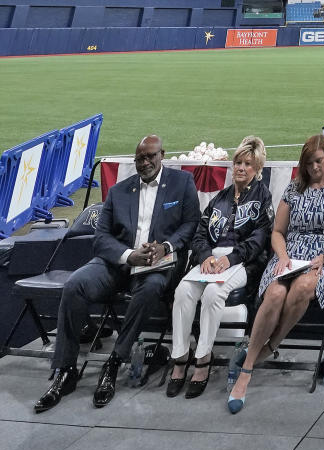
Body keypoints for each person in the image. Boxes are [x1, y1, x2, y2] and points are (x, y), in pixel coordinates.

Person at [33, 134, 200, 414]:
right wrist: (128, 255)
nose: (145, 162)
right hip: (118, 263)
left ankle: (115, 361)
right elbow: (100, 238)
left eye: (151, 156)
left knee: (148, 289)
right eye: (140, 159)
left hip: (158, 264)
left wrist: (165, 247)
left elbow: (191, 223)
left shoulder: (182, 183)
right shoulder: (119, 191)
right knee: (75, 285)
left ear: (163, 155)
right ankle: (66, 369)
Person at [227, 133, 324, 413]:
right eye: (308, 163)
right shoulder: (294, 188)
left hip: (321, 254)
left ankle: (266, 349)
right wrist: (282, 257)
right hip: (289, 252)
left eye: (318, 161)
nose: (314, 168)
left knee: (303, 288)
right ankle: (249, 366)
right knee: (277, 291)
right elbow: (278, 232)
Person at [166, 136, 273, 398]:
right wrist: (204, 256)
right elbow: (201, 233)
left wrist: (231, 258)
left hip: (242, 262)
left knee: (214, 293)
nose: (241, 168)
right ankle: (180, 357)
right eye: (238, 162)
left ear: (257, 169)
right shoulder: (219, 198)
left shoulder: (263, 197)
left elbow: (261, 238)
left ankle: (203, 359)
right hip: (211, 259)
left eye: (248, 164)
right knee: (182, 292)